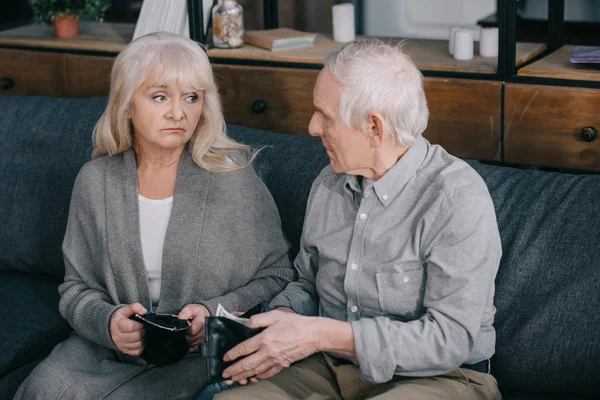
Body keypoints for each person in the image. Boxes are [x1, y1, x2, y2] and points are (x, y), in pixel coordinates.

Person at [213, 39, 503, 400]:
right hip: (330, 368)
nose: (312, 127)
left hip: (439, 378)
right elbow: (309, 283)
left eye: (326, 115)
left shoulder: (455, 199)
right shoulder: (330, 182)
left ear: (374, 128)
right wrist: (281, 317)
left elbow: (450, 339)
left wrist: (320, 334)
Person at [14, 32, 296, 400]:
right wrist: (109, 323)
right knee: (41, 389)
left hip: (197, 359)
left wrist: (212, 313)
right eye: (160, 96)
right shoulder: (94, 181)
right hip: (101, 353)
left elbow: (277, 275)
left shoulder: (234, 178)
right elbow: (74, 290)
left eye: (192, 97)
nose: (179, 113)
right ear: (127, 104)